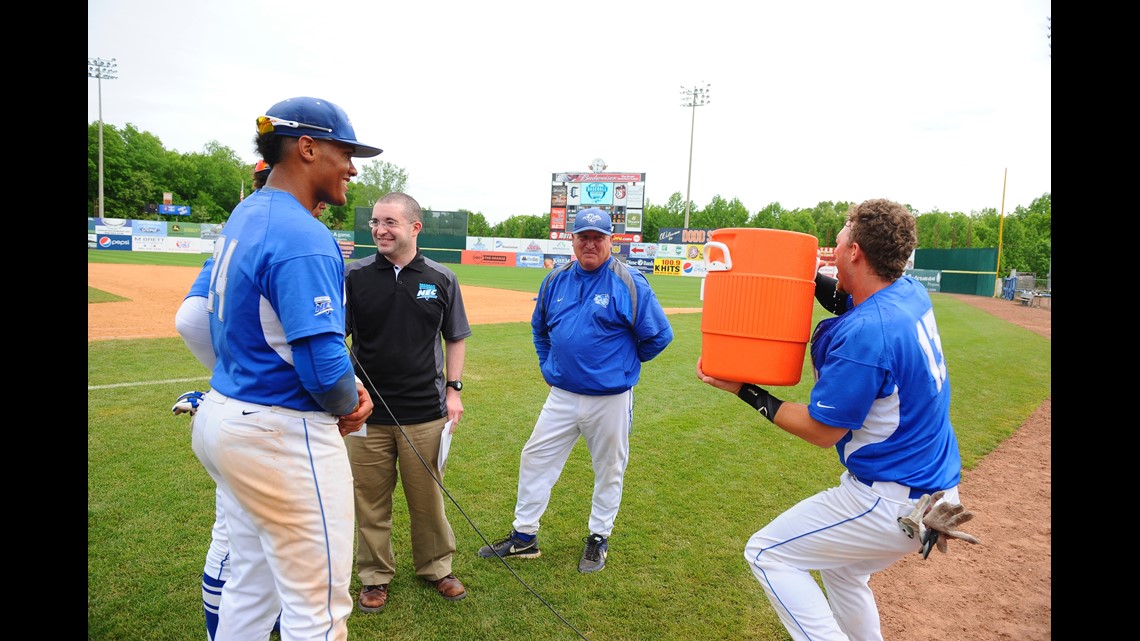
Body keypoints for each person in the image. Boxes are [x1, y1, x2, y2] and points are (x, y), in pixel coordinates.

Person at [695, 198, 978, 641]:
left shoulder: (867, 334)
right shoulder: (907, 292)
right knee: (843, 573)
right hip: (932, 490)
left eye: (843, 234)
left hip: (887, 500)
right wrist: (795, 273)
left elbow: (822, 431)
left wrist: (744, 390)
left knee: (767, 552)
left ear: (856, 252)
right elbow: (852, 299)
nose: (836, 242)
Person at [187, 96, 379, 641]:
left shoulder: (245, 213)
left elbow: (194, 321)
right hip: (282, 435)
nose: (352, 165)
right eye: (345, 150)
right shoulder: (304, 234)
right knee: (316, 610)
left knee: (249, 592)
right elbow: (323, 370)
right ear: (308, 147)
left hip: (226, 416)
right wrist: (350, 403)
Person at [172, 163, 329, 641]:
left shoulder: (238, 228)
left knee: (245, 554)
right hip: (275, 419)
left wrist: (228, 380)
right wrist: (242, 379)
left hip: (233, 414)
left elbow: (194, 320)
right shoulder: (286, 231)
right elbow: (192, 319)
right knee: (299, 580)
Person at [478, 207, 674, 573]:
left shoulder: (629, 281)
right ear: (572, 239)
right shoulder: (555, 280)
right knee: (535, 457)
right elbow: (540, 329)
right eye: (583, 237)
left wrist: (620, 366)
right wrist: (547, 365)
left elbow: (659, 336)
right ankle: (524, 538)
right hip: (562, 395)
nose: (590, 244)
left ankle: (598, 538)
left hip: (610, 399)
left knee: (609, 469)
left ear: (610, 241)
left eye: (598, 237)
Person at [343, 192, 472, 612]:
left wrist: (454, 389)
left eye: (390, 223)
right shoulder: (353, 275)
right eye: (376, 222)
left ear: (415, 228)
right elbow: (333, 338)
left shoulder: (441, 277)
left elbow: (455, 336)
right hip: (365, 413)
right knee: (370, 501)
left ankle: (437, 567)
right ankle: (374, 576)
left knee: (427, 500)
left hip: (424, 412)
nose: (380, 230)